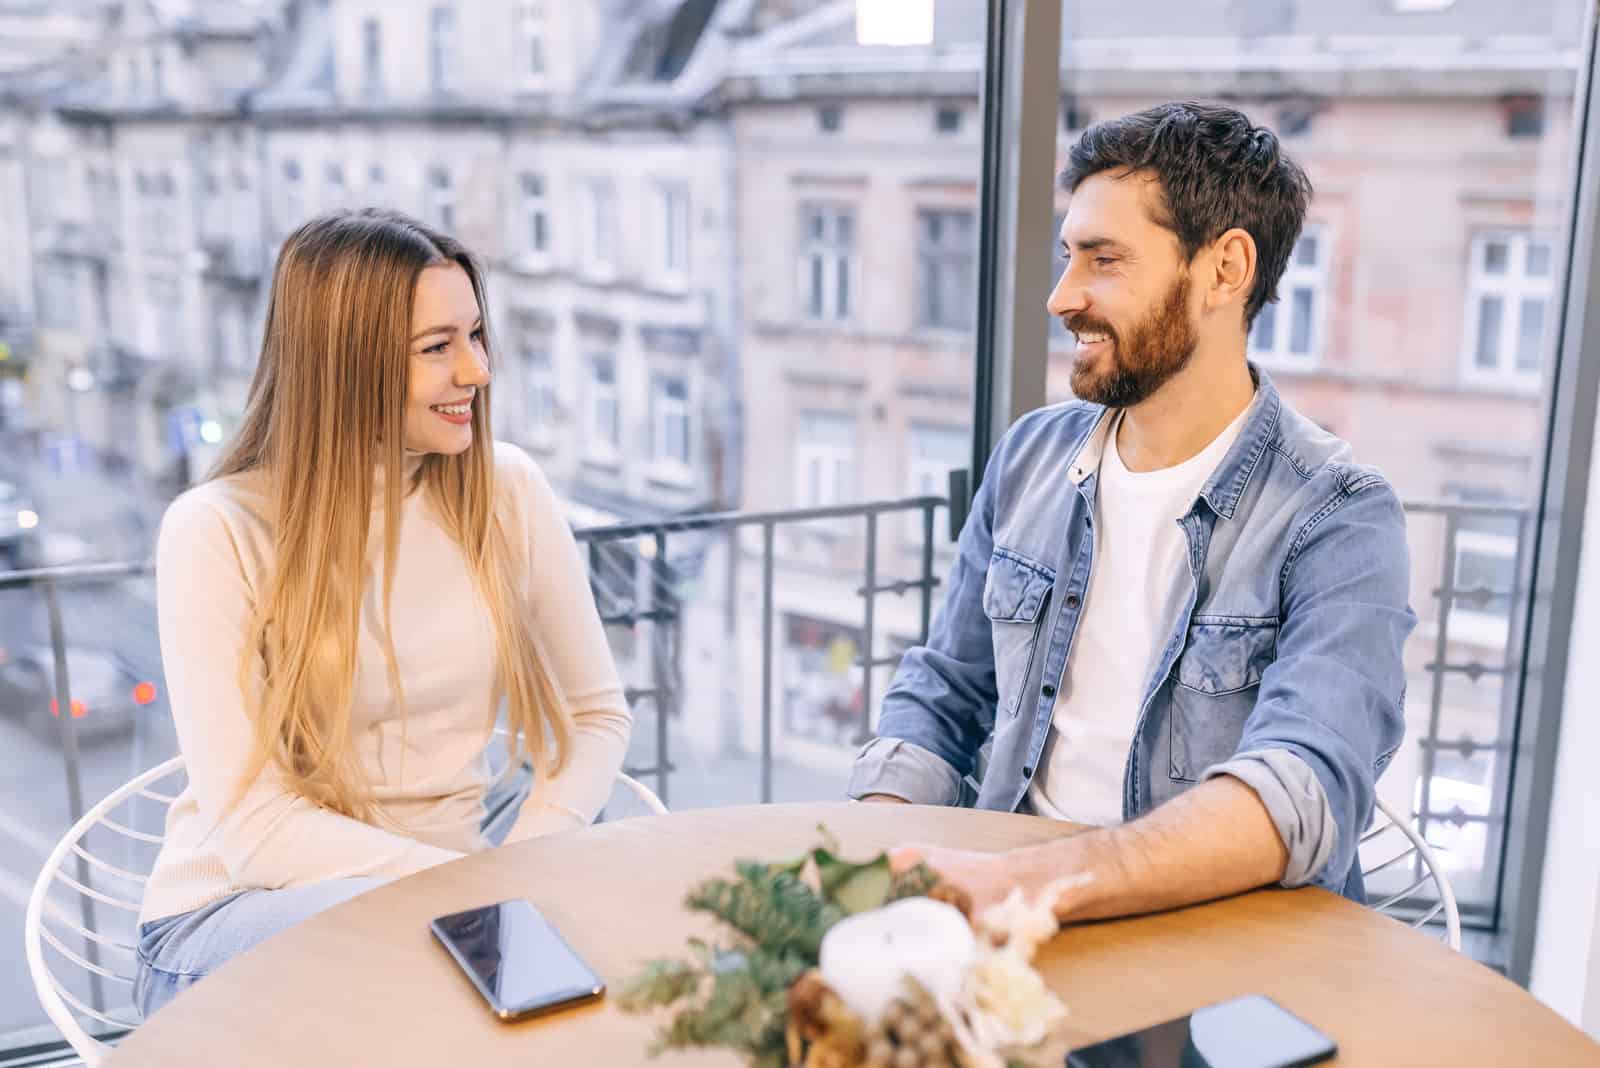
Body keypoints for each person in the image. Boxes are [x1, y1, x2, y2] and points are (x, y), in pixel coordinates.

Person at [848, 102, 1416, 924]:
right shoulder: (1031, 457)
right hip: (1010, 912)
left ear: (1225, 270)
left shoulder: (1342, 518)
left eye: (1104, 261)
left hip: (1219, 935)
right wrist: (885, 857)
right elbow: (946, 690)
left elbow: (1301, 786)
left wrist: (1028, 882)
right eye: (1067, 256)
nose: (1062, 297)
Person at [133, 209, 631, 1017]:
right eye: (437, 348)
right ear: (344, 365)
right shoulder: (217, 529)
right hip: (234, 915)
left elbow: (597, 715)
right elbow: (255, 827)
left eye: (475, 336)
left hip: (449, 903)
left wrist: (523, 864)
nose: (477, 372)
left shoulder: (506, 491)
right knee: (441, 986)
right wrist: (474, 892)